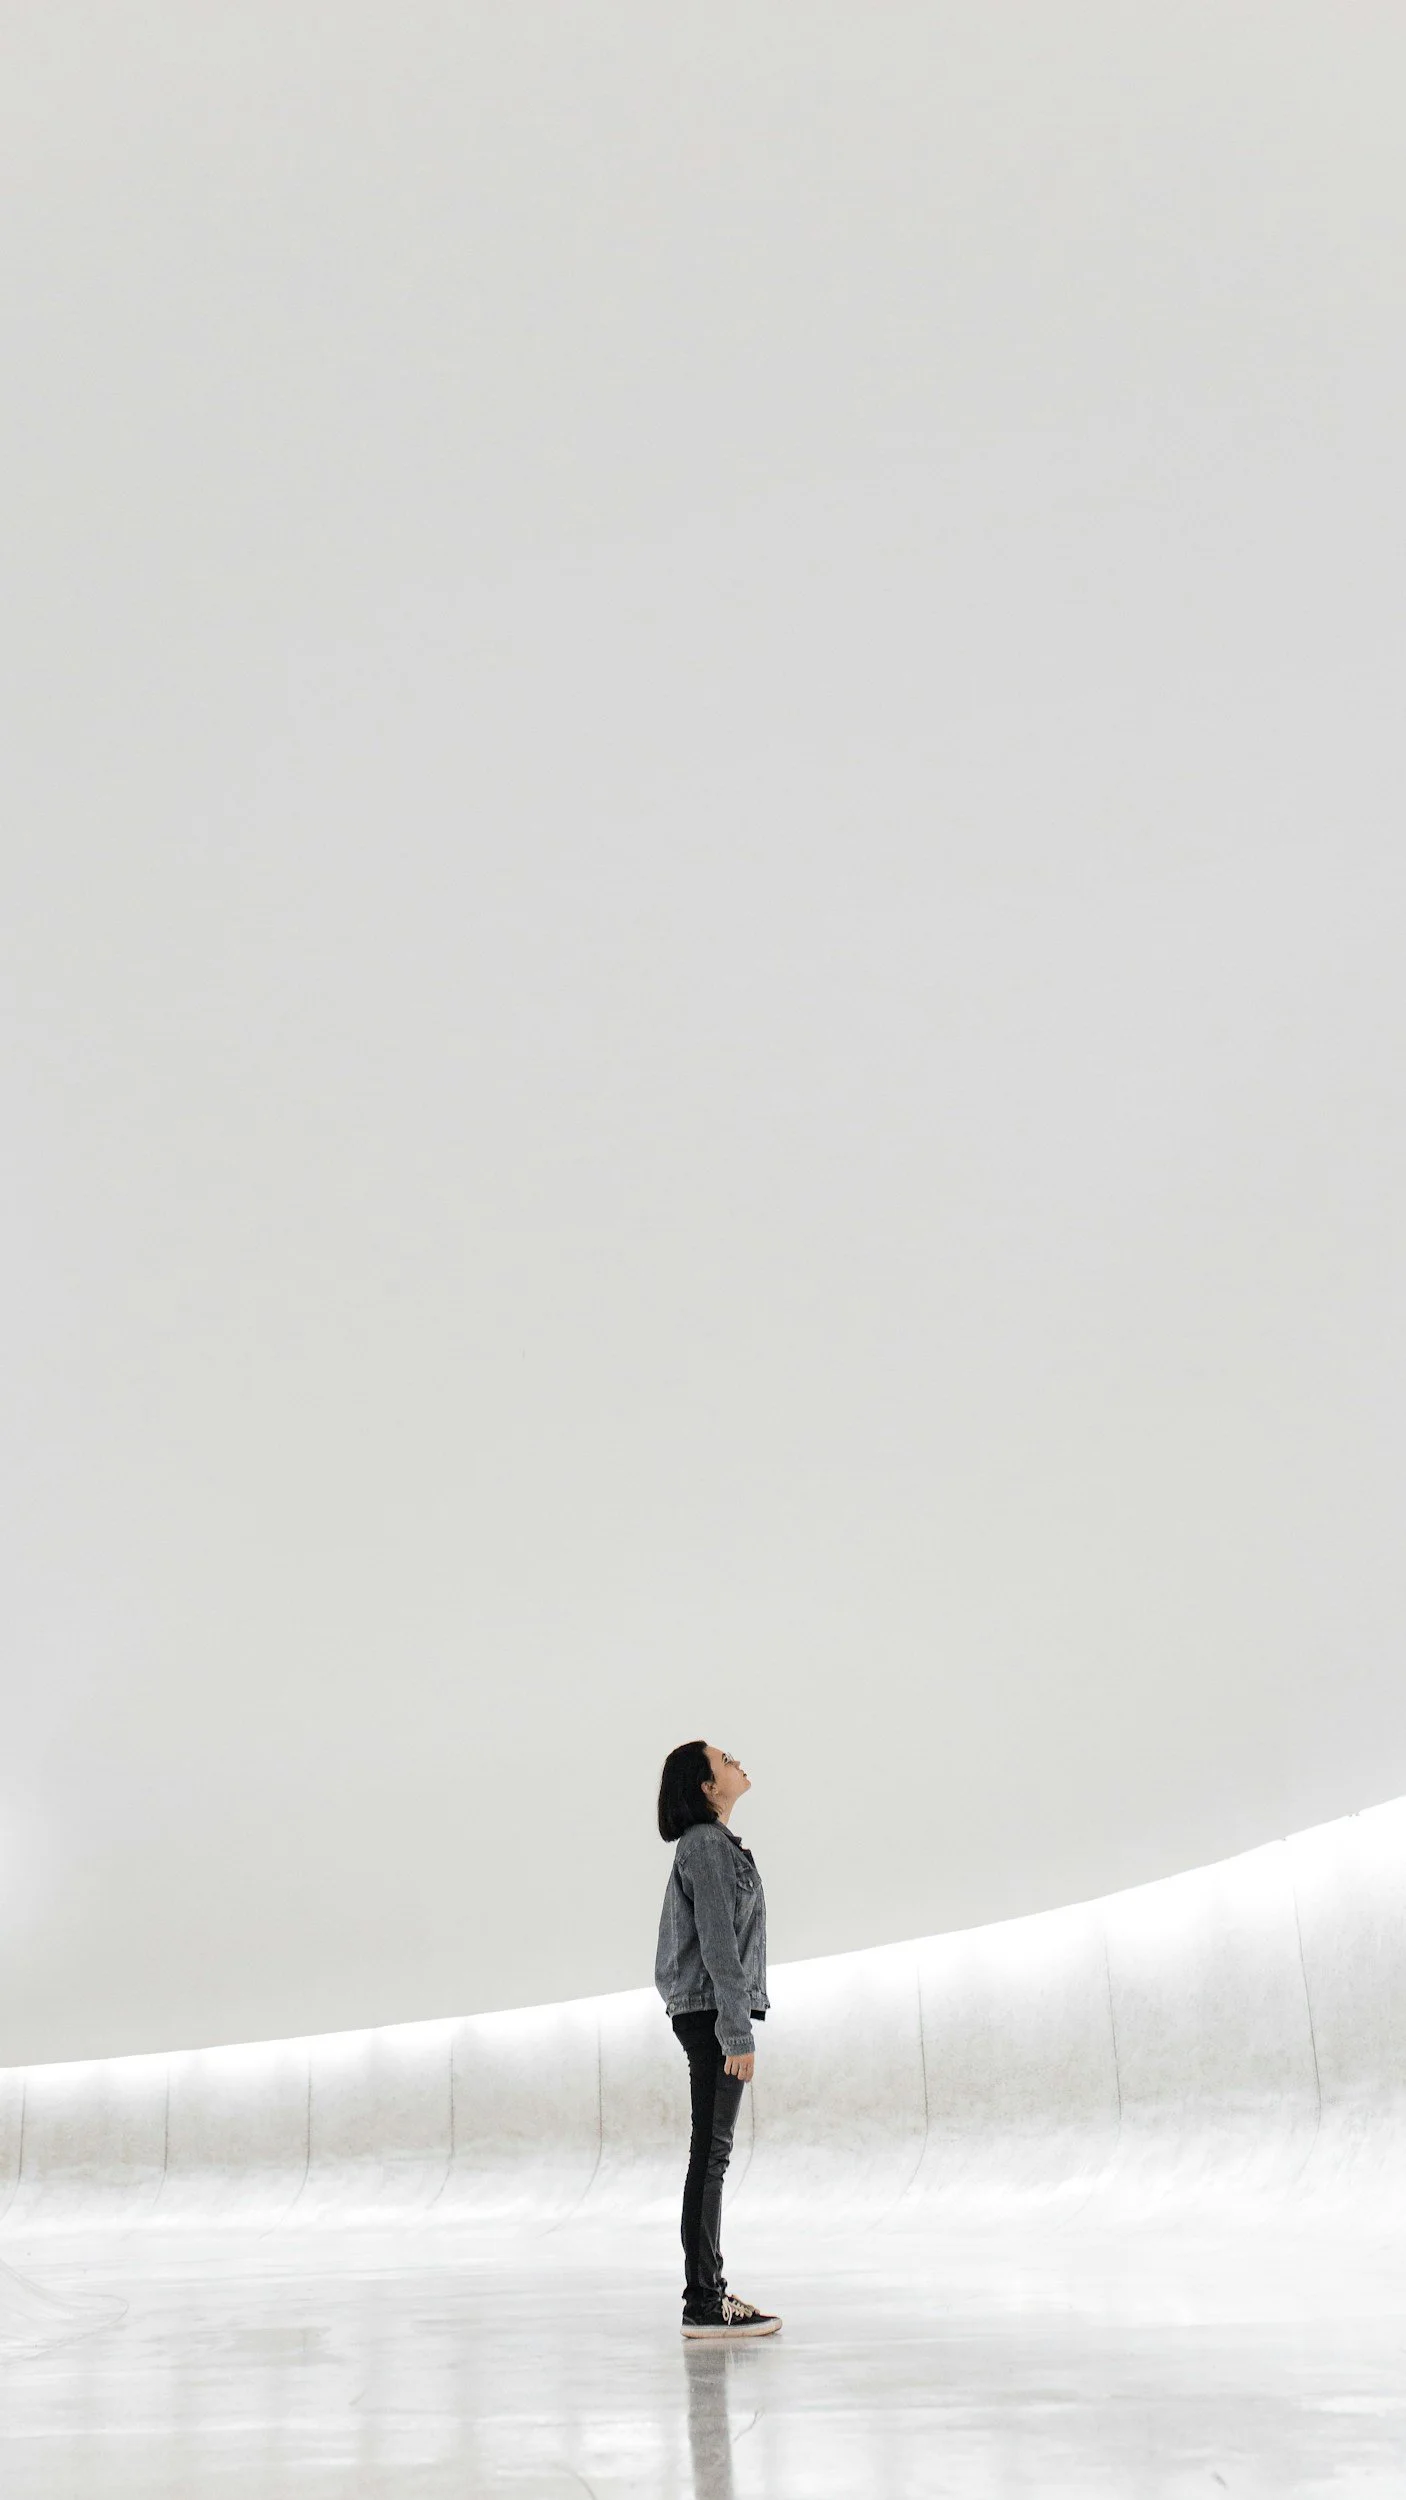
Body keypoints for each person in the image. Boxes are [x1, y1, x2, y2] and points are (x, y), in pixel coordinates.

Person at [654, 1740, 782, 2340]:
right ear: (707, 1786)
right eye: (725, 1759)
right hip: (711, 2011)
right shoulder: (705, 1846)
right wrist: (735, 2030)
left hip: (709, 2008)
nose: (738, 1762)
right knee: (710, 2155)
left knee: (710, 2153)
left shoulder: (715, 1846)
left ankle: (706, 2294)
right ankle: (704, 2301)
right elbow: (718, 1944)